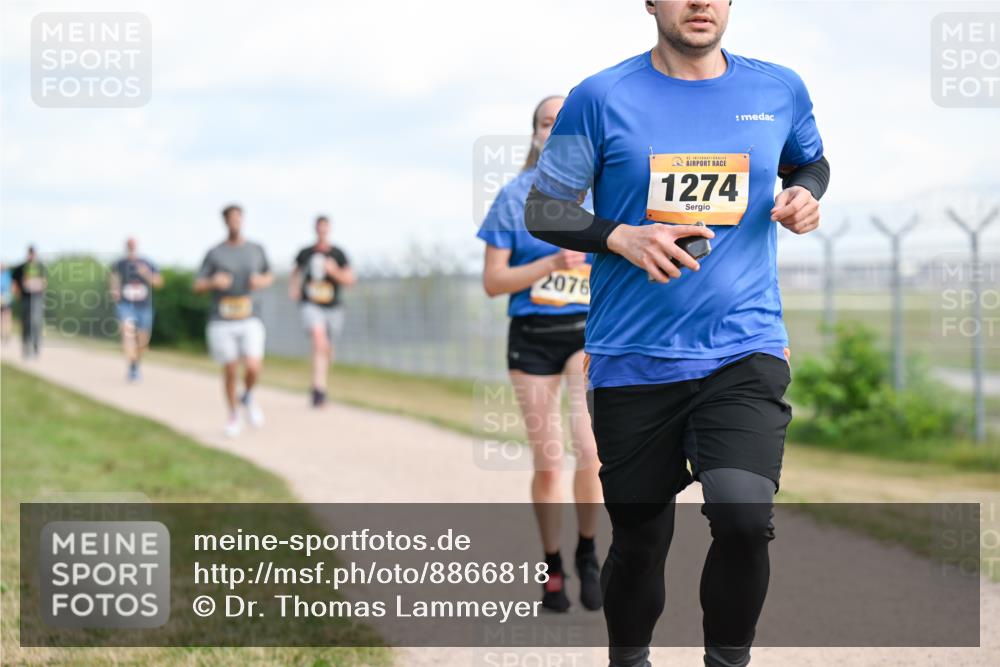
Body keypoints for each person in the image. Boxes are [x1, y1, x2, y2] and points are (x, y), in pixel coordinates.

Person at [525, 2, 830, 665]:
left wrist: (806, 194)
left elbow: (809, 162)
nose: (699, 2)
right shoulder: (600, 97)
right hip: (632, 357)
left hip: (744, 346)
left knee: (745, 518)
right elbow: (544, 207)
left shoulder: (778, 88)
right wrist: (618, 234)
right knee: (639, 541)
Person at [478, 95, 604, 613]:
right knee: (549, 460)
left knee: (590, 451)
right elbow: (493, 281)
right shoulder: (512, 198)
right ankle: (553, 567)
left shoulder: (601, 192)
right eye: (546, 122)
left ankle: (589, 552)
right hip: (531, 335)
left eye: (563, 123)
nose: (554, 130)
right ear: (533, 133)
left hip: (585, 332)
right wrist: (552, 260)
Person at [194, 205, 274, 438]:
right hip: (222, 319)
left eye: (239, 218)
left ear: (243, 220)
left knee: (252, 366)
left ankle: (247, 395)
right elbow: (197, 285)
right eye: (231, 219)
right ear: (225, 222)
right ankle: (233, 415)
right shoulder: (215, 253)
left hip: (250, 316)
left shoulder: (256, 249)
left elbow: (269, 275)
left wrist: (260, 281)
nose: (235, 223)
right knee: (230, 369)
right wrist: (212, 282)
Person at [289, 215, 356, 407]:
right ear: (315, 229)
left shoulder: (338, 254)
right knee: (319, 341)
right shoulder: (305, 252)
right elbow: (295, 272)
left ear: (329, 229)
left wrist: (334, 271)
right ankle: (319, 389)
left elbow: (350, 280)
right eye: (319, 227)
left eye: (325, 228)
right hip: (311, 304)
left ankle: (319, 383)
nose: (322, 231)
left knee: (327, 349)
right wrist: (293, 288)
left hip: (333, 308)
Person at [109, 238, 163, 382]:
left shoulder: (147, 262)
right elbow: (113, 279)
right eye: (129, 244)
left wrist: (146, 273)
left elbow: (158, 282)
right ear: (126, 246)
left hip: (144, 307)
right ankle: (132, 365)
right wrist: (114, 290)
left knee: (142, 342)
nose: (131, 247)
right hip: (126, 305)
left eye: (133, 244)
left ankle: (135, 365)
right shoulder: (119, 263)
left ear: (137, 246)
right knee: (127, 335)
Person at [10, 246, 48, 359]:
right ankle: (26, 347)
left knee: (36, 322)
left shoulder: (40, 266)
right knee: (26, 323)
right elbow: (14, 282)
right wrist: (17, 294)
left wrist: (37, 285)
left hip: (37, 299)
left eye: (33, 254)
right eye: (30, 254)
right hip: (25, 299)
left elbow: (45, 282)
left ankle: (36, 346)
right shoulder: (21, 267)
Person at [0, 263, 12, 344]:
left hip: (6, 298)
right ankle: (3, 334)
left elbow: (10, 287)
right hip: (5, 298)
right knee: (4, 318)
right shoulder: (8, 275)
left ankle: (6, 335)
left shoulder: (7, 275)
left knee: (6, 318)